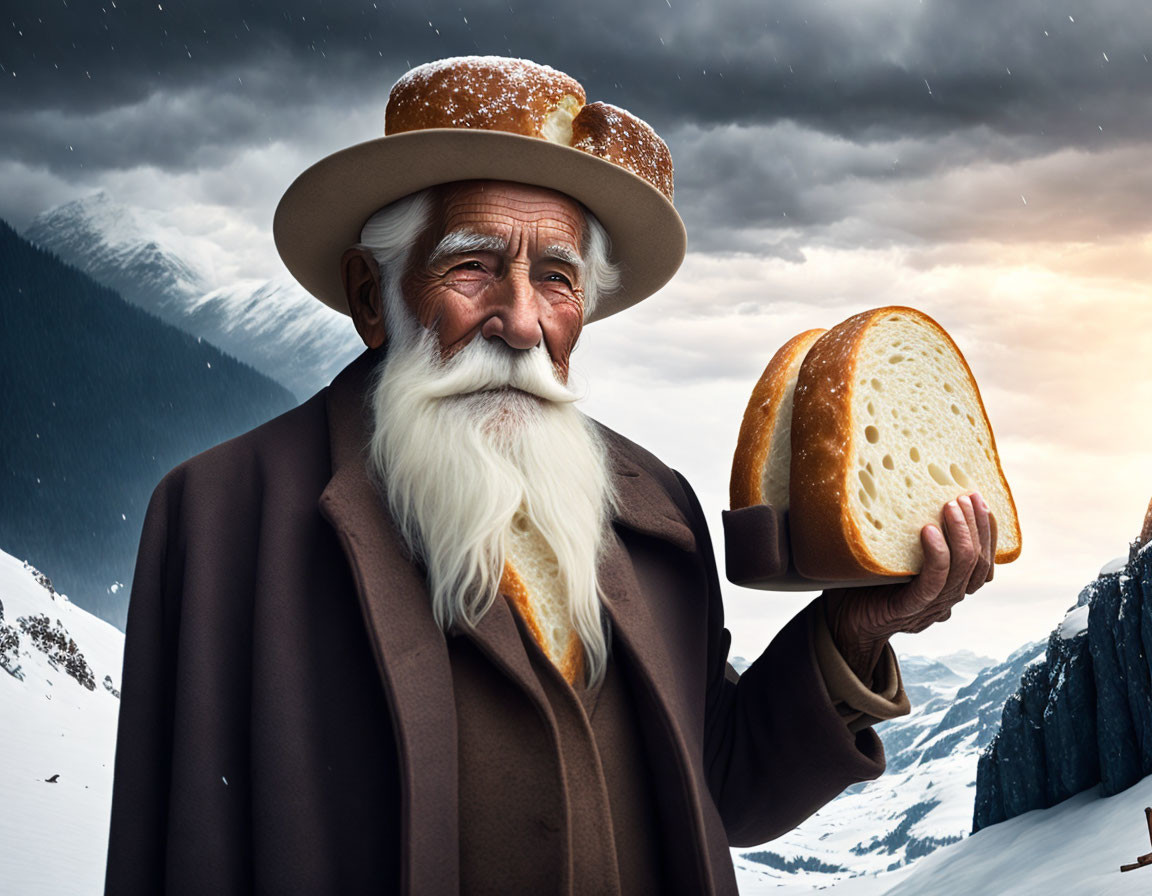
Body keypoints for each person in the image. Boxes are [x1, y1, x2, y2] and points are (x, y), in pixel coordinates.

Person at [104, 56, 997, 895]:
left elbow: (725, 787)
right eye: (472, 266)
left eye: (558, 280)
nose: (522, 321)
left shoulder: (659, 511)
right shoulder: (222, 517)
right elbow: (185, 847)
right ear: (374, 297)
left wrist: (851, 631)